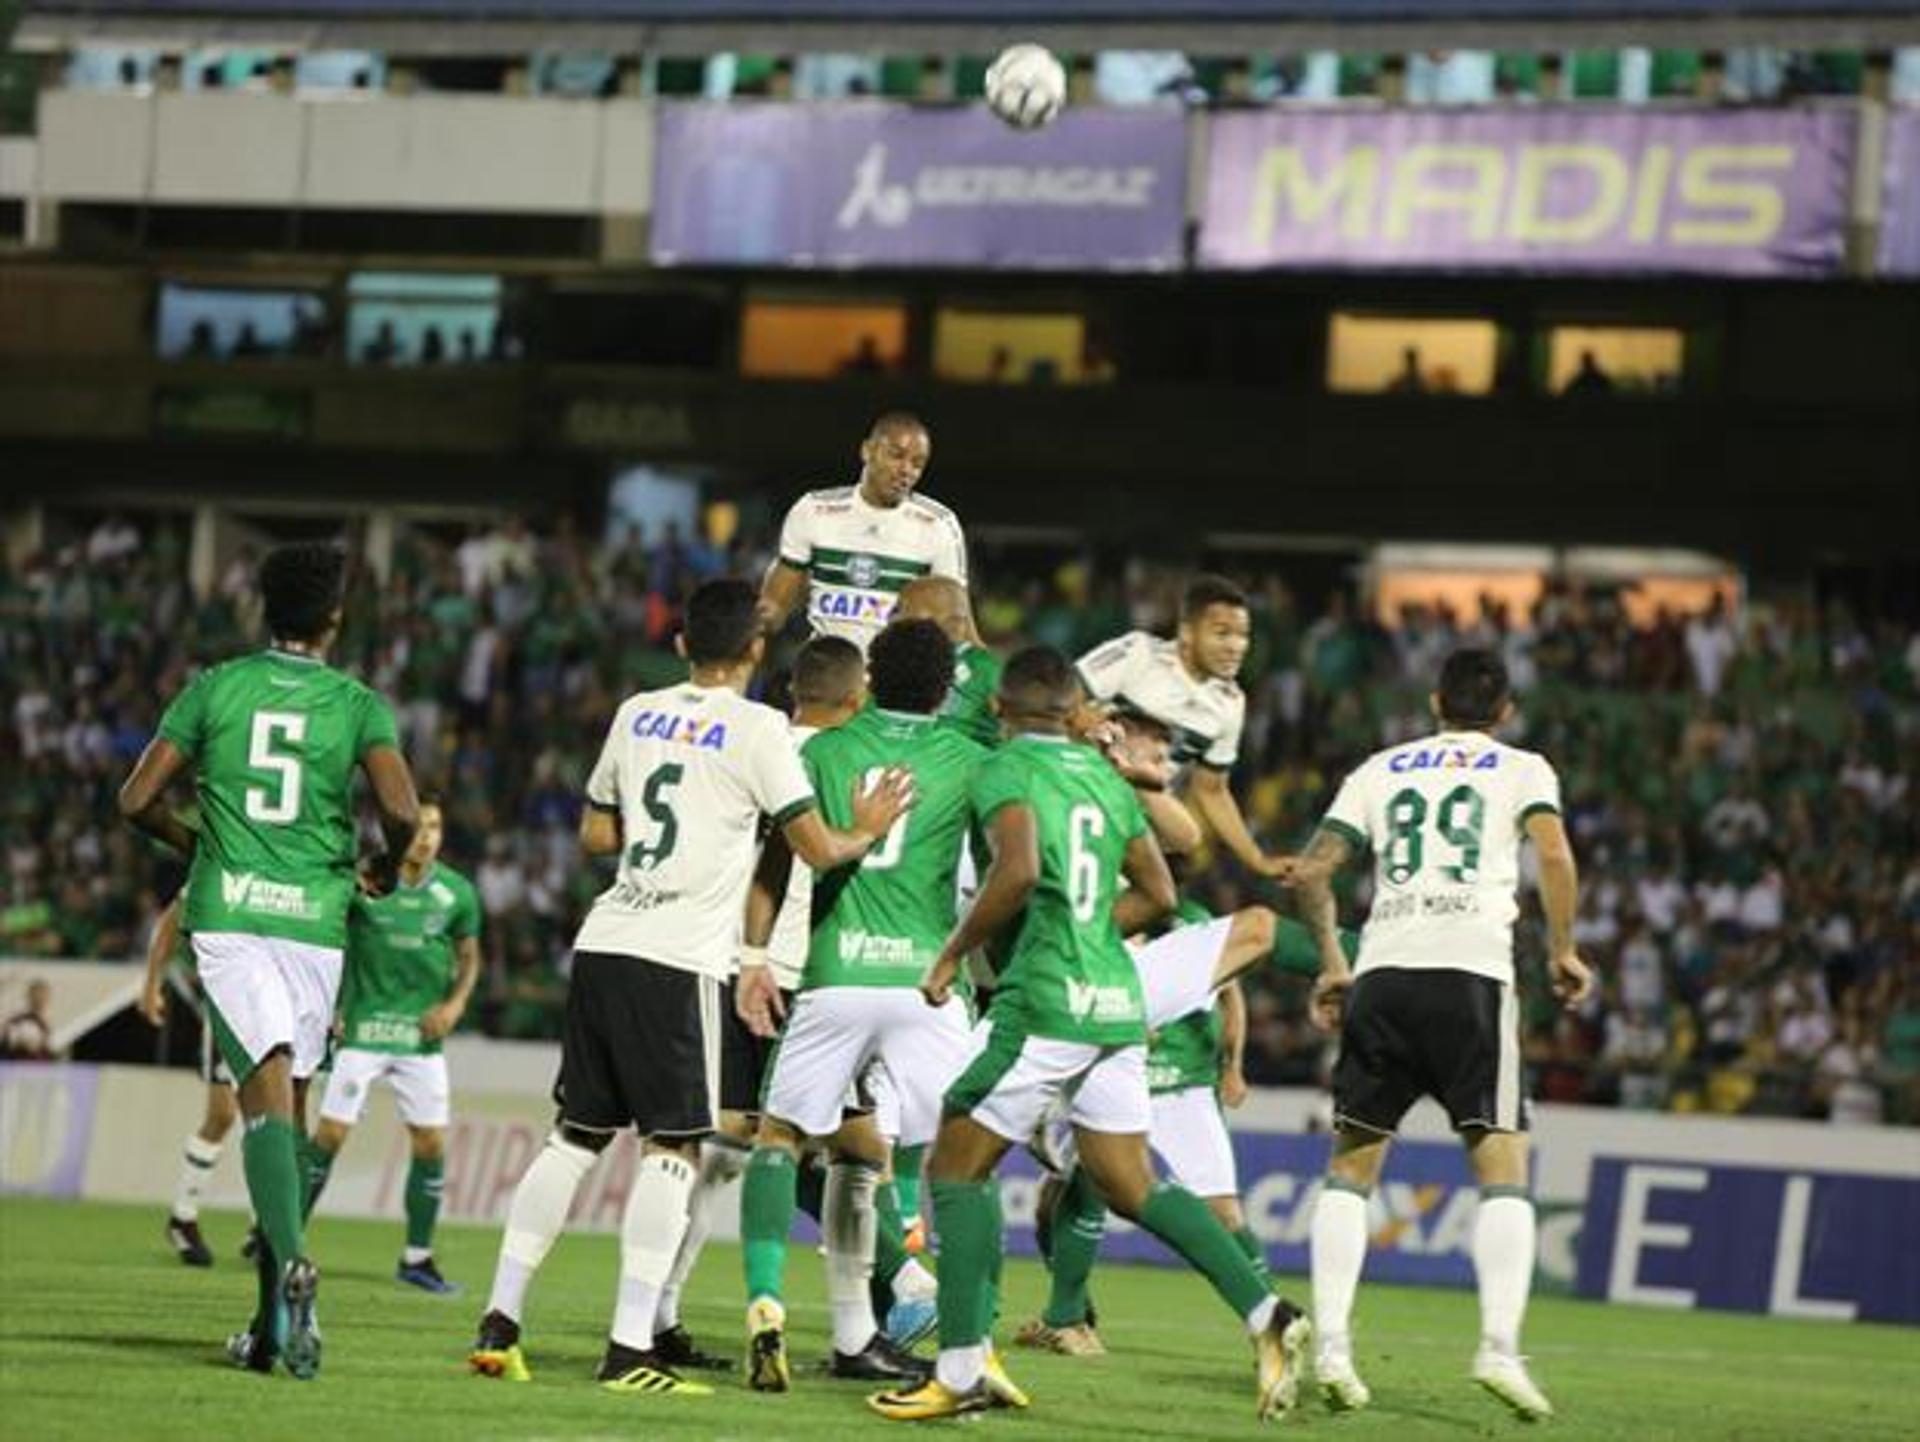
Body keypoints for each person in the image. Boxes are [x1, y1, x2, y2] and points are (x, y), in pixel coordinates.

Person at [465, 577, 913, 1399]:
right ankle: (630, 1346)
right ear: (755, 651)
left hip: (604, 940)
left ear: (680, 646)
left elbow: (597, 829)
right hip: (679, 960)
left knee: (574, 1137)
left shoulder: (636, 711)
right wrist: (868, 831)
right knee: (672, 1146)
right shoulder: (762, 729)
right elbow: (813, 847)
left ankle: (500, 1321)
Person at [868, 647, 1310, 1424]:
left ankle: (962, 1369)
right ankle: (1265, 1313)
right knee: (1130, 1183)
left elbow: (1014, 871)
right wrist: (1087, 939)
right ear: (1075, 713)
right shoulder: (1104, 780)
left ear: (1002, 712)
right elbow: (1162, 890)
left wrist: (950, 956)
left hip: (1041, 1006)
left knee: (955, 1169)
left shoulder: (1003, 770)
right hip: (1111, 1002)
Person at [117, 540, 421, 1380]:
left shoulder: (215, 687)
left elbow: (136, 798)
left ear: (262, 610)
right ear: (334, 617)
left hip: (235, 915)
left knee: (265, 1108)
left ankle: (291, 1271)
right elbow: (400, 809)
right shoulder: (359, 704)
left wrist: (200, 843)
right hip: (315, 921)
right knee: (284, 1103)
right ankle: (269, 1327)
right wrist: (388, 869)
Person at [1291, 647, 1592, 1421]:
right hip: (1471, 978)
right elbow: (1553, 852)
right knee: (1503, 1169)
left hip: (1384, 975)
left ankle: (1330, 1347)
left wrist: (1334, 962)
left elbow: (1314, 870)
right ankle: (1497, 1347)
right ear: (1505, 712)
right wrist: (1562, 949)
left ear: (1434, 701)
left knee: (1350, 1170)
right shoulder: (1524, 768)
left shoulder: (1378, 768)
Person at [734, 618, 987, 1392]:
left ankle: (768, 1307)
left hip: (837, 973)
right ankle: (963, 1345)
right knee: (953, 1159)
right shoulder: (976, 763)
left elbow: (774, 866)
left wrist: (752, 957)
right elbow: (1002, 874)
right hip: (926, 982)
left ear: (870, 678)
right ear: (948, 689)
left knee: (778, 1139)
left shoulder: (819, 750)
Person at [646, 633, 870, 1375]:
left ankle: (656, 1314)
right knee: (855, 1152)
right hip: (818, 977)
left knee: (722, 1145)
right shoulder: (851, 760)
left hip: (734, 962)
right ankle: (872, 1319)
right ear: (857, 695)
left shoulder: (750, 741)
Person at [1019, 902, 1359, 1356]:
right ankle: (1069, 1318)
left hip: (1182, 1083)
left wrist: (1232, 1064)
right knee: (1072, 1192)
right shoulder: (1105, 906)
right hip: (1128, 1070)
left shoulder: (1180, 917)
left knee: (1220, 1212)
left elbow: (1229, 992)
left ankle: (1269, 1309)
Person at [302, 798, 481, 1294]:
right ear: (401, 831)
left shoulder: (457, 894)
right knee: (331, 1134)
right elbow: (329, 939)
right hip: (364, 1029)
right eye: (420, 826)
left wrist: (455, 1006)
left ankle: (417, 1258)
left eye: (437, 827)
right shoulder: (368, 885)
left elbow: (470, 957)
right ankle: (284, 1235)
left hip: (419, 1040)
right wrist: (330, 1005)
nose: (428, 836)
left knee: (431, 1143)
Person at [1076, 575, 1293, 879]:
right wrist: (1103, 737)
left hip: (1132, 819)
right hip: (1079, 789)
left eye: (1242, 635)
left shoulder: (1229, 704)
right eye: (1222, 633)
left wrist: (1259, 861)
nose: (1236, 646)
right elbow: (1064, 698)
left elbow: (1212, 790)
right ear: (1187, 633)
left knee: (1188, 839)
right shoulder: (1140, 653)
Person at [756, 413, 971, 652]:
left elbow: (958, 625)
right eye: (896, 455)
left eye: (917, 463)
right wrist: (750, 619)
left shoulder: (938, 524)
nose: (907, 470)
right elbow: (774, 607)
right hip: (828, 673)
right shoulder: (813, 510)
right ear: (867, 450)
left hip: (896, 679)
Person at [139, 891, 240, 1268]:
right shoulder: (224, 859)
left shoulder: (300, 862)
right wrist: (152, 983)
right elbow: (172, 918)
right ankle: (183, 1216)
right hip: (230, 1007)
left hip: (284, 1006)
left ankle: (265, 1226)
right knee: (223, 1115)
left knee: (281, 1115)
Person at [896, 575, 1001, 749]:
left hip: (970, 768)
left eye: (904, 608)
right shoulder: (899, 661)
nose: (897, 618)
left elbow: (1021, 729)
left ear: (949, 619)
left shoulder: (985, 667)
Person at [1, 977, 56, 1060]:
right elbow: (7, 1044)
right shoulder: (18, 1022)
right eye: (36, 996)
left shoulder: (45, 1024)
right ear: (29, 997)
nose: (40, 1000)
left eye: (43, 995)